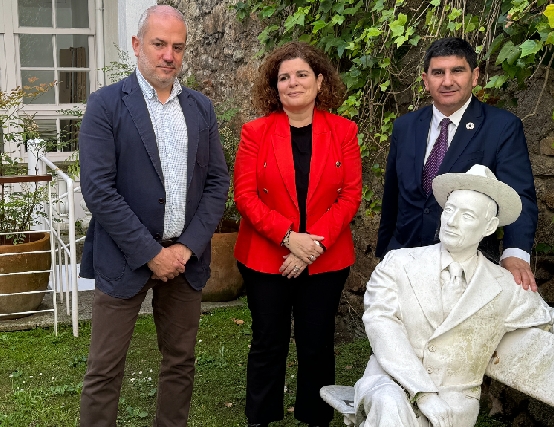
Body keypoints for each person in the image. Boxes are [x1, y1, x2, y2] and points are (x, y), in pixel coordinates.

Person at [354, 165, 554, 427]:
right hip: (389, 383)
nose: (451, 221)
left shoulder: (503, 287)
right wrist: (424, 393)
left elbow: (552, 319)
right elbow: (381, 324)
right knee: (390, 407)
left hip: (454, 402)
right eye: (449, 210)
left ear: (489, 227)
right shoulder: (398, 263)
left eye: (467, 215)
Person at [78, 5, 230, 426]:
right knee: (105, 368)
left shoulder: (200, 108)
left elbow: (217, 182)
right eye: (159, 44)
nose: (169, 55)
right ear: (136, 45)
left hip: (185, 258)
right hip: (124, 255)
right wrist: (150, 253)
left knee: (180, 362)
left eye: (177, 47)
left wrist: (186, 247)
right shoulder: (106, 105)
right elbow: (98, 189)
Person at [233, 41, 362, 427]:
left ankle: (316, 418)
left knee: (317, 344)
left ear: (320, 81)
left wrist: (311, 246)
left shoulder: (344, 131)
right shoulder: (255, 132)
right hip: (265, 256)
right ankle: (260, 419)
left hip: (325, 258)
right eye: (284, 77)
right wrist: (290, 238)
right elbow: (245, 196)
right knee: (268, 342)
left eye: (302, 75)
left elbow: (350, 194)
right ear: (275, 87)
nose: (293, 83)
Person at [376, 37, 539, 291]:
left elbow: (518, 196)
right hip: (404, 259)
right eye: (438, 72)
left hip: (466, 269)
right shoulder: (405, 126)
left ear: (474, 76)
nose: (447, 81)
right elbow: (393, 196)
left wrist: (515, 252)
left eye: (457, 71)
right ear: (425, 80)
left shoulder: (501, 127)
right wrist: (385, 251)